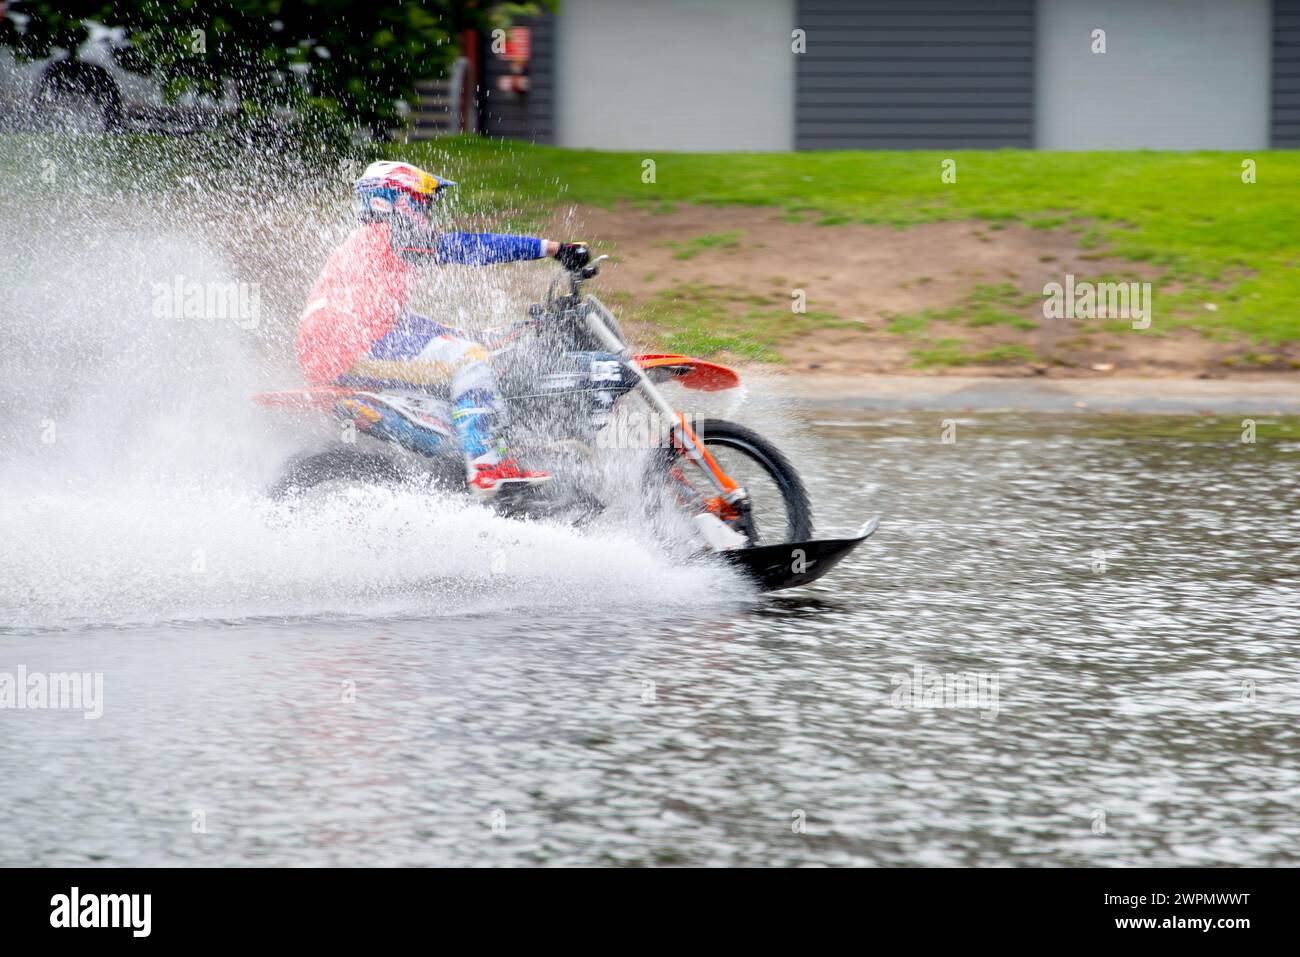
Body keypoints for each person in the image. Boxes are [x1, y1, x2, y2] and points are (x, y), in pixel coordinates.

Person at [296, 160, 591, 499]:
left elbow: (404, 325)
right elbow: (467, 247)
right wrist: (552, 249)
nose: (426, 212)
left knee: (468, 346)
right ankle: (486, 467)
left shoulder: (371, 244)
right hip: (349, 346)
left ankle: (476, 459)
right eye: (422, 202)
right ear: (391, 199)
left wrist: (501, 333)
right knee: (470, 360)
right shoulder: (391, 232)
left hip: (345, 343)